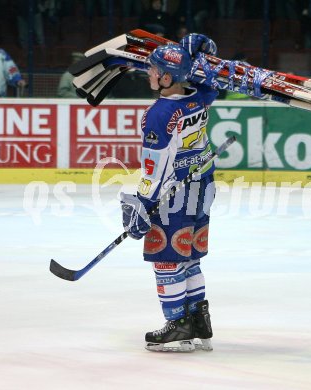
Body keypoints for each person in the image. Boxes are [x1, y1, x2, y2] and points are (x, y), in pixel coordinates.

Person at [120, 34, 218, 352]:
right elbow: (211, 84)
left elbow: (154, 170)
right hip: (202, 190)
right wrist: (200, 56)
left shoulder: (159, 115)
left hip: (172, 196)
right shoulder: (198, 98)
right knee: (188, 257)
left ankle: (177, 325)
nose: (148, 74)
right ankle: (198, 320)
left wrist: (143, 204)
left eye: (153, 70)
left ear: (166, 77)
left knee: (166, 260)